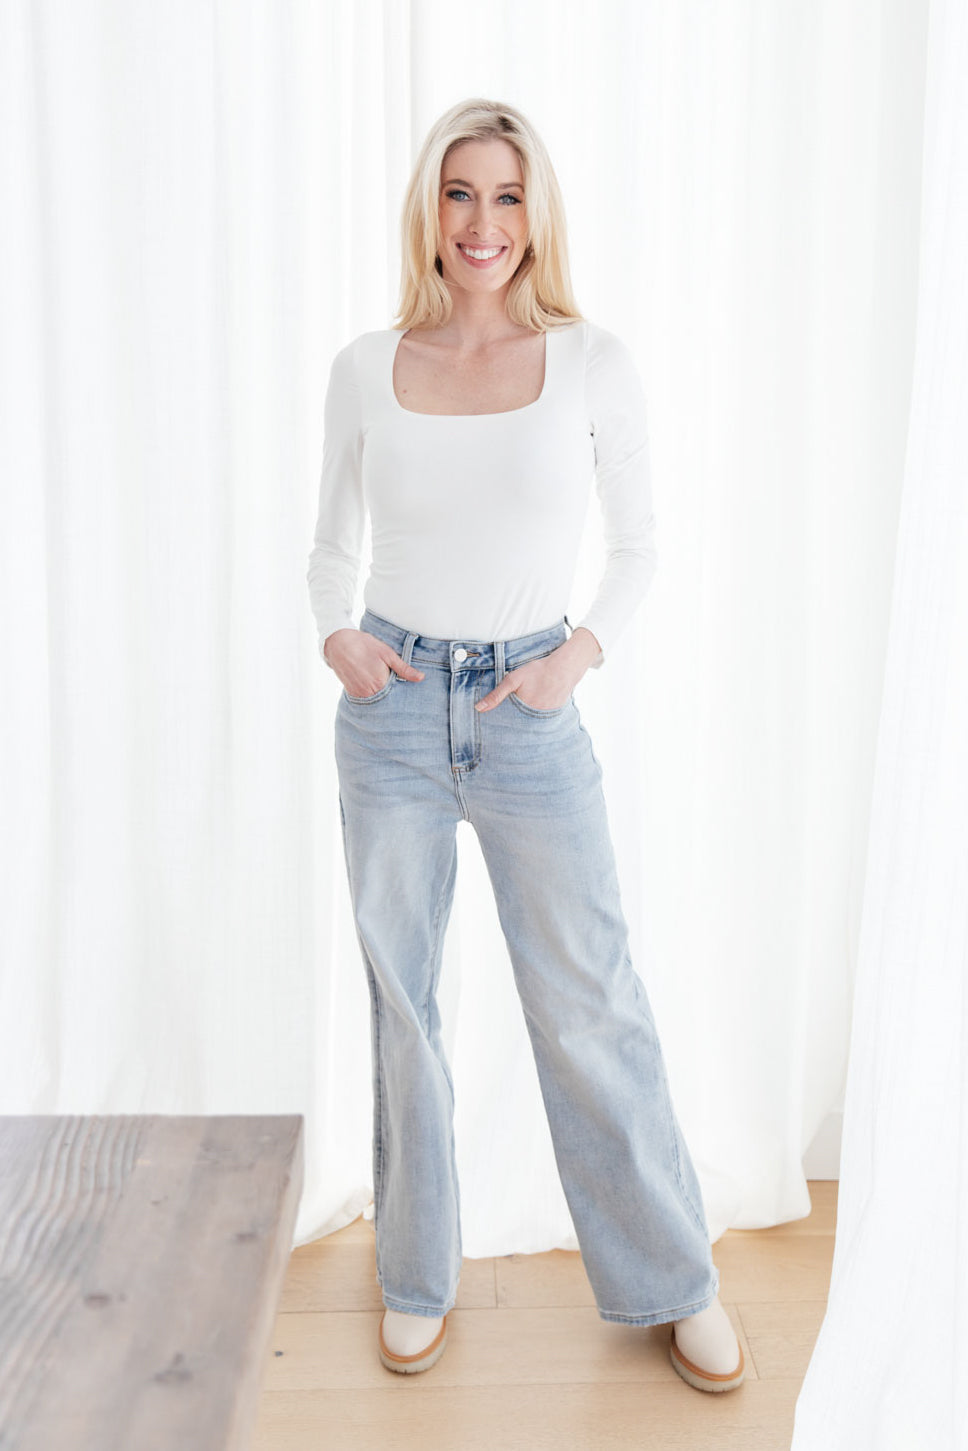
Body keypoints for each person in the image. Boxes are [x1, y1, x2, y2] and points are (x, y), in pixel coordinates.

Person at [306, 97, 743, 1393]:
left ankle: (676, 1281)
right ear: (428, 212)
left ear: (535, 213)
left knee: (588, 997)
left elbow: (642, 547)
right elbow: (329, 546)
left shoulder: (592, 362)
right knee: (404, 1004)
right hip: (391, 712)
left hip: (530, 706)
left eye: (505, 195)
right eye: (459, 193)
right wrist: (337, 637)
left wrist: (574, 658)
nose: (481, 222)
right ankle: (415, 1276)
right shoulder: (366, 366)